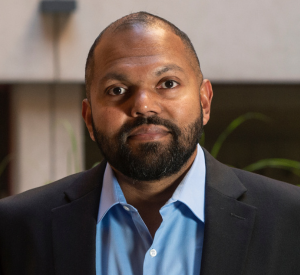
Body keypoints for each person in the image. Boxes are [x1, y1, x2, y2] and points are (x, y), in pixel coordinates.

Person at [0, 11, 300, 275]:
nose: (143, 106)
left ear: (204, 101)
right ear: (89, 118)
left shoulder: (291, 221)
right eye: (117, 89)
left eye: (167, 84)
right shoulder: (15, 228)